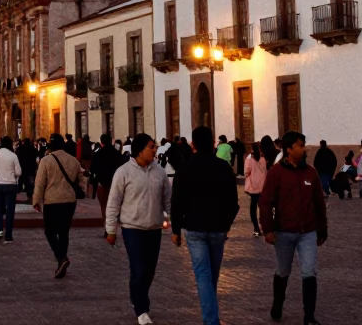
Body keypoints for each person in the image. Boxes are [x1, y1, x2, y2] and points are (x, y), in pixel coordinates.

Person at [171, 127, 238, 325]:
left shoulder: (184, 169)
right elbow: (233, 201)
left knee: (203, 275)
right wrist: (226, 225)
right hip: (218, 228)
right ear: (213, 143)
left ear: (193, 145)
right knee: (212, 276)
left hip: (194, 228)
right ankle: (211, 316)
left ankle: (211, 320)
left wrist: (176, 230)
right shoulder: (223, 167)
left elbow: (177, 202)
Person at [259, 131, 327, 325]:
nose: (304, 148)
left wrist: (322, 229)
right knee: (283, 270)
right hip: (284, 231)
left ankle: (309, 317)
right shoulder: (276, 173)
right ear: (289, 149)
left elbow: (319, 203)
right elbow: (266, 203)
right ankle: (278, 304)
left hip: (308, 232)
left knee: (309, 272)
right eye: (300, 145)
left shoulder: (310, 172)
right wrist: (268, 229)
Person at [105, 133, 172, 325]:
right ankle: (141, 308)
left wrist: (175, 225)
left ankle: (140, 298)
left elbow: (167, 200)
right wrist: (111, 229)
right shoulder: (123, 172)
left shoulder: (159, 172)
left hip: (153, 227)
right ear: (140, 150)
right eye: (151, 147)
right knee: (138, 268)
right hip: (132, 228)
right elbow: (113, 203)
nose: (155, 150)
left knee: (149, 270)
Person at [32, 133, 84, 278]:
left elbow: (40, 183)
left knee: (49, 231)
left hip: (52, 201)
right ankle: (61, 261)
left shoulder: (46, 161)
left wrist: (36, 201)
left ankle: (61, 258)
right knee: (63, 232)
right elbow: (82, 178)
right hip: (69, 201)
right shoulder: (73, 160)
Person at [0, 136, 22, 243]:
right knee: (10, 210)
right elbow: (18, 172)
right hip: (11, 185)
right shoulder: (13, 155)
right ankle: (8, 235)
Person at [90, 133, 124, 218]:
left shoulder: (97, 154)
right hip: (116, 183)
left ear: (101, 142)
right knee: (116, 206)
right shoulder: (117, 154)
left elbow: (93, 169)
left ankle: (107, 225)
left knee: (104, 206)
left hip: (103, 183)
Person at [244, 140, 267, 236]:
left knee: (253, 208)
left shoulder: (249, 159)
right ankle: (264, 226)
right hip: (262, 185)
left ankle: (256, 228)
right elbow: (265, 170)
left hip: (253, 186)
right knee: (262, 207)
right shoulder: (262, 158)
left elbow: (246, 171)